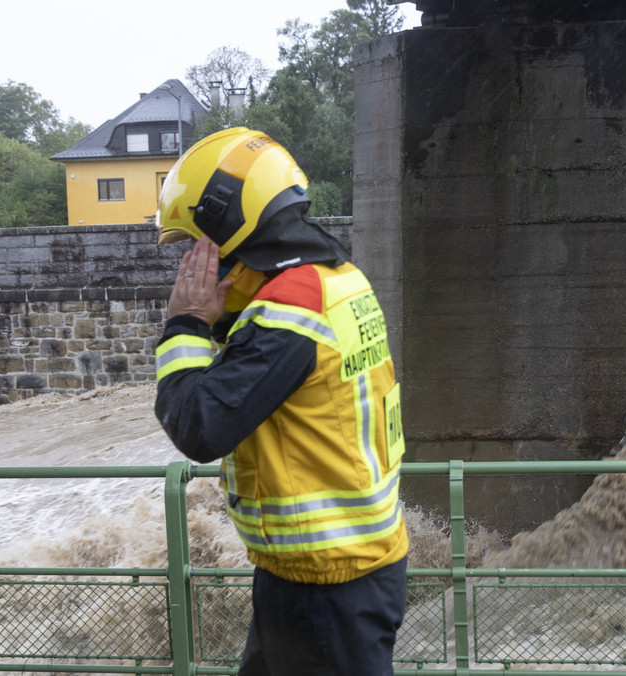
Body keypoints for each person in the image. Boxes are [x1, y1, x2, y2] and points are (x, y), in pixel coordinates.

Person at [151, 127, 409, 676]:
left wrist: (186, 325)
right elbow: (275, 378)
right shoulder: (336, 280)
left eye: (199, 243)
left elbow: (198, 425)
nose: (199, 262)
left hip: (326, 586)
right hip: (334, 568)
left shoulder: (291, 310)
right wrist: (221, 323)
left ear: (229, 228)